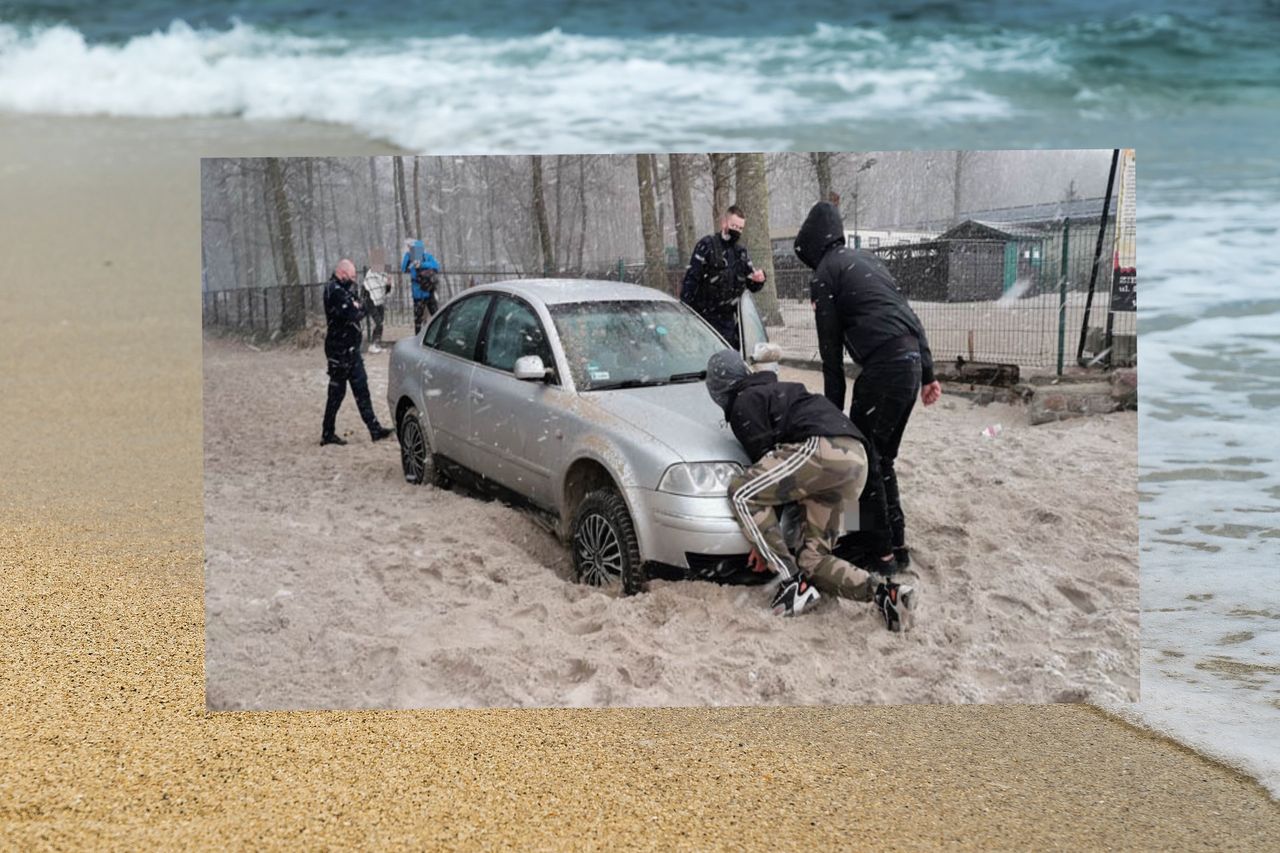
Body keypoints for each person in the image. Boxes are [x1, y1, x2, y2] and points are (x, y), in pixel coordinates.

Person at [705, 349, 915, 630]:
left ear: (718, 391)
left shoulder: (745, 401)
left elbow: (765, 474)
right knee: (812, 559)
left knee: (741, 493)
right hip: (855, 461)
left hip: (823, 448)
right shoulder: (774, 388)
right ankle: (886, 595)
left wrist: (764, 543)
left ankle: (792, 584)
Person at [793, 201, 943, 575]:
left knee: (864, 459)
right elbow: (911, 318)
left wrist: (830, 417)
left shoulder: (826, 274)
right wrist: (927, 373)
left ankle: (878, 552)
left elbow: (830, 355)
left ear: (811, 244)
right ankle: (895, 543)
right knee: (881, 458)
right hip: (906, 364)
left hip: (884, 368)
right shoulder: (868, 261)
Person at [321, 259, 394, 447]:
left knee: (361, 388)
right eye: (352, 276)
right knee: (337, 392)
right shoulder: (334, 290)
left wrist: (360, 305)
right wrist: (359, 307)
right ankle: (327, 432)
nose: (354, 280)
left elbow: (360, 306)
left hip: (351, 348)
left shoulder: (345, 289)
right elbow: (354, 313)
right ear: (342, 273)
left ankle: (374, 429)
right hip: (339, 349)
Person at [680, 205, 766, 350]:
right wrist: (685, 313)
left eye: (740, 228)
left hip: (728, 323)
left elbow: (751, 284)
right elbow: (691, 280)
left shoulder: (741, 253)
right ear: (724, 223)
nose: (737, 231)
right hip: (703, 319)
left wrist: (760, 279)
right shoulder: (707, 245)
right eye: (734, 226)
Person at [401, 240, 441, 333]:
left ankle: (420, 335)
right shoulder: (411, 257)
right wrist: (408, 255)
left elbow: (436, 266)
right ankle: (429, 334)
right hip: (422, 292)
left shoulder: (426, 257)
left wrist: (422, 265)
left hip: (424, 291)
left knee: (425, 317)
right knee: (431, 315)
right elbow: (404, 268)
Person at [360, 265, 392, 353]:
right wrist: (363, 299)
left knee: (380, 322)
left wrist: (388, 283)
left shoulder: (385, 275)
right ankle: (372, 344)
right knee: (377, 322)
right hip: (369, 299)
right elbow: (366, 286)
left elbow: (387, 291)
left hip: (379, 300)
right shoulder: (371, 274)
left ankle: (375, 343)